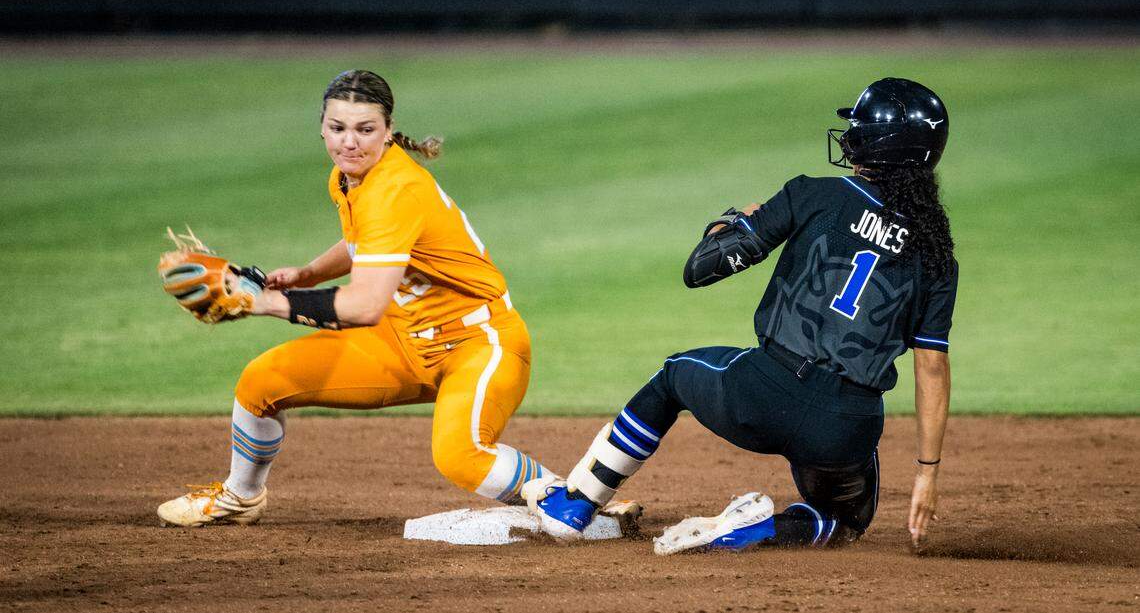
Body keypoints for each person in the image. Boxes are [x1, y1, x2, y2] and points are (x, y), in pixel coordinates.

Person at [523, 78, 957, 553]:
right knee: (846, 518)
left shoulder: (815, 194)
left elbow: (700, 270)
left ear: (874, 143)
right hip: (844, 427)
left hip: (761, 395)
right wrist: (926, 474)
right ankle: (757, 530)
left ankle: (577, 504)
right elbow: (931, 366)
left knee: (671, 378)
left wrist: (730, 224)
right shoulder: (938, 255)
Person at [157, 69, 551, 527]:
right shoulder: (348, 178)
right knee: (260, 384)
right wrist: (307, 273)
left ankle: (574, 499)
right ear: (321, 126)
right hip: (404, 340)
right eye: (337, 128)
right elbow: (361, 245)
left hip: (478, 344)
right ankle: (240, 498)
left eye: (365, 130)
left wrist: (264, 303)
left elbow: (364, 307)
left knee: (460, 456)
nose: (350, 142)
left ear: (387, 132)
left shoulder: (395, 189)